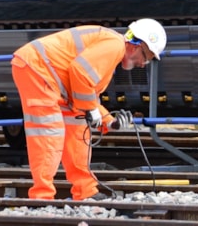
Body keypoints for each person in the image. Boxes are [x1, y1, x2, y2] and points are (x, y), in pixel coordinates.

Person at [10, 18, 166, 200]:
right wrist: (91, 109)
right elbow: (80, 72)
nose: (142, 64)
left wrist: (109, 122)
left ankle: (85, 191)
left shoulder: (111, 50)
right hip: (38, 69)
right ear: (136, 45)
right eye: (146, 58)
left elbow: (86, 93)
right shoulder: (115, 45)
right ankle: (41, 197)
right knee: (49, 134)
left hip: (51, 76)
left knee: (78, 132)